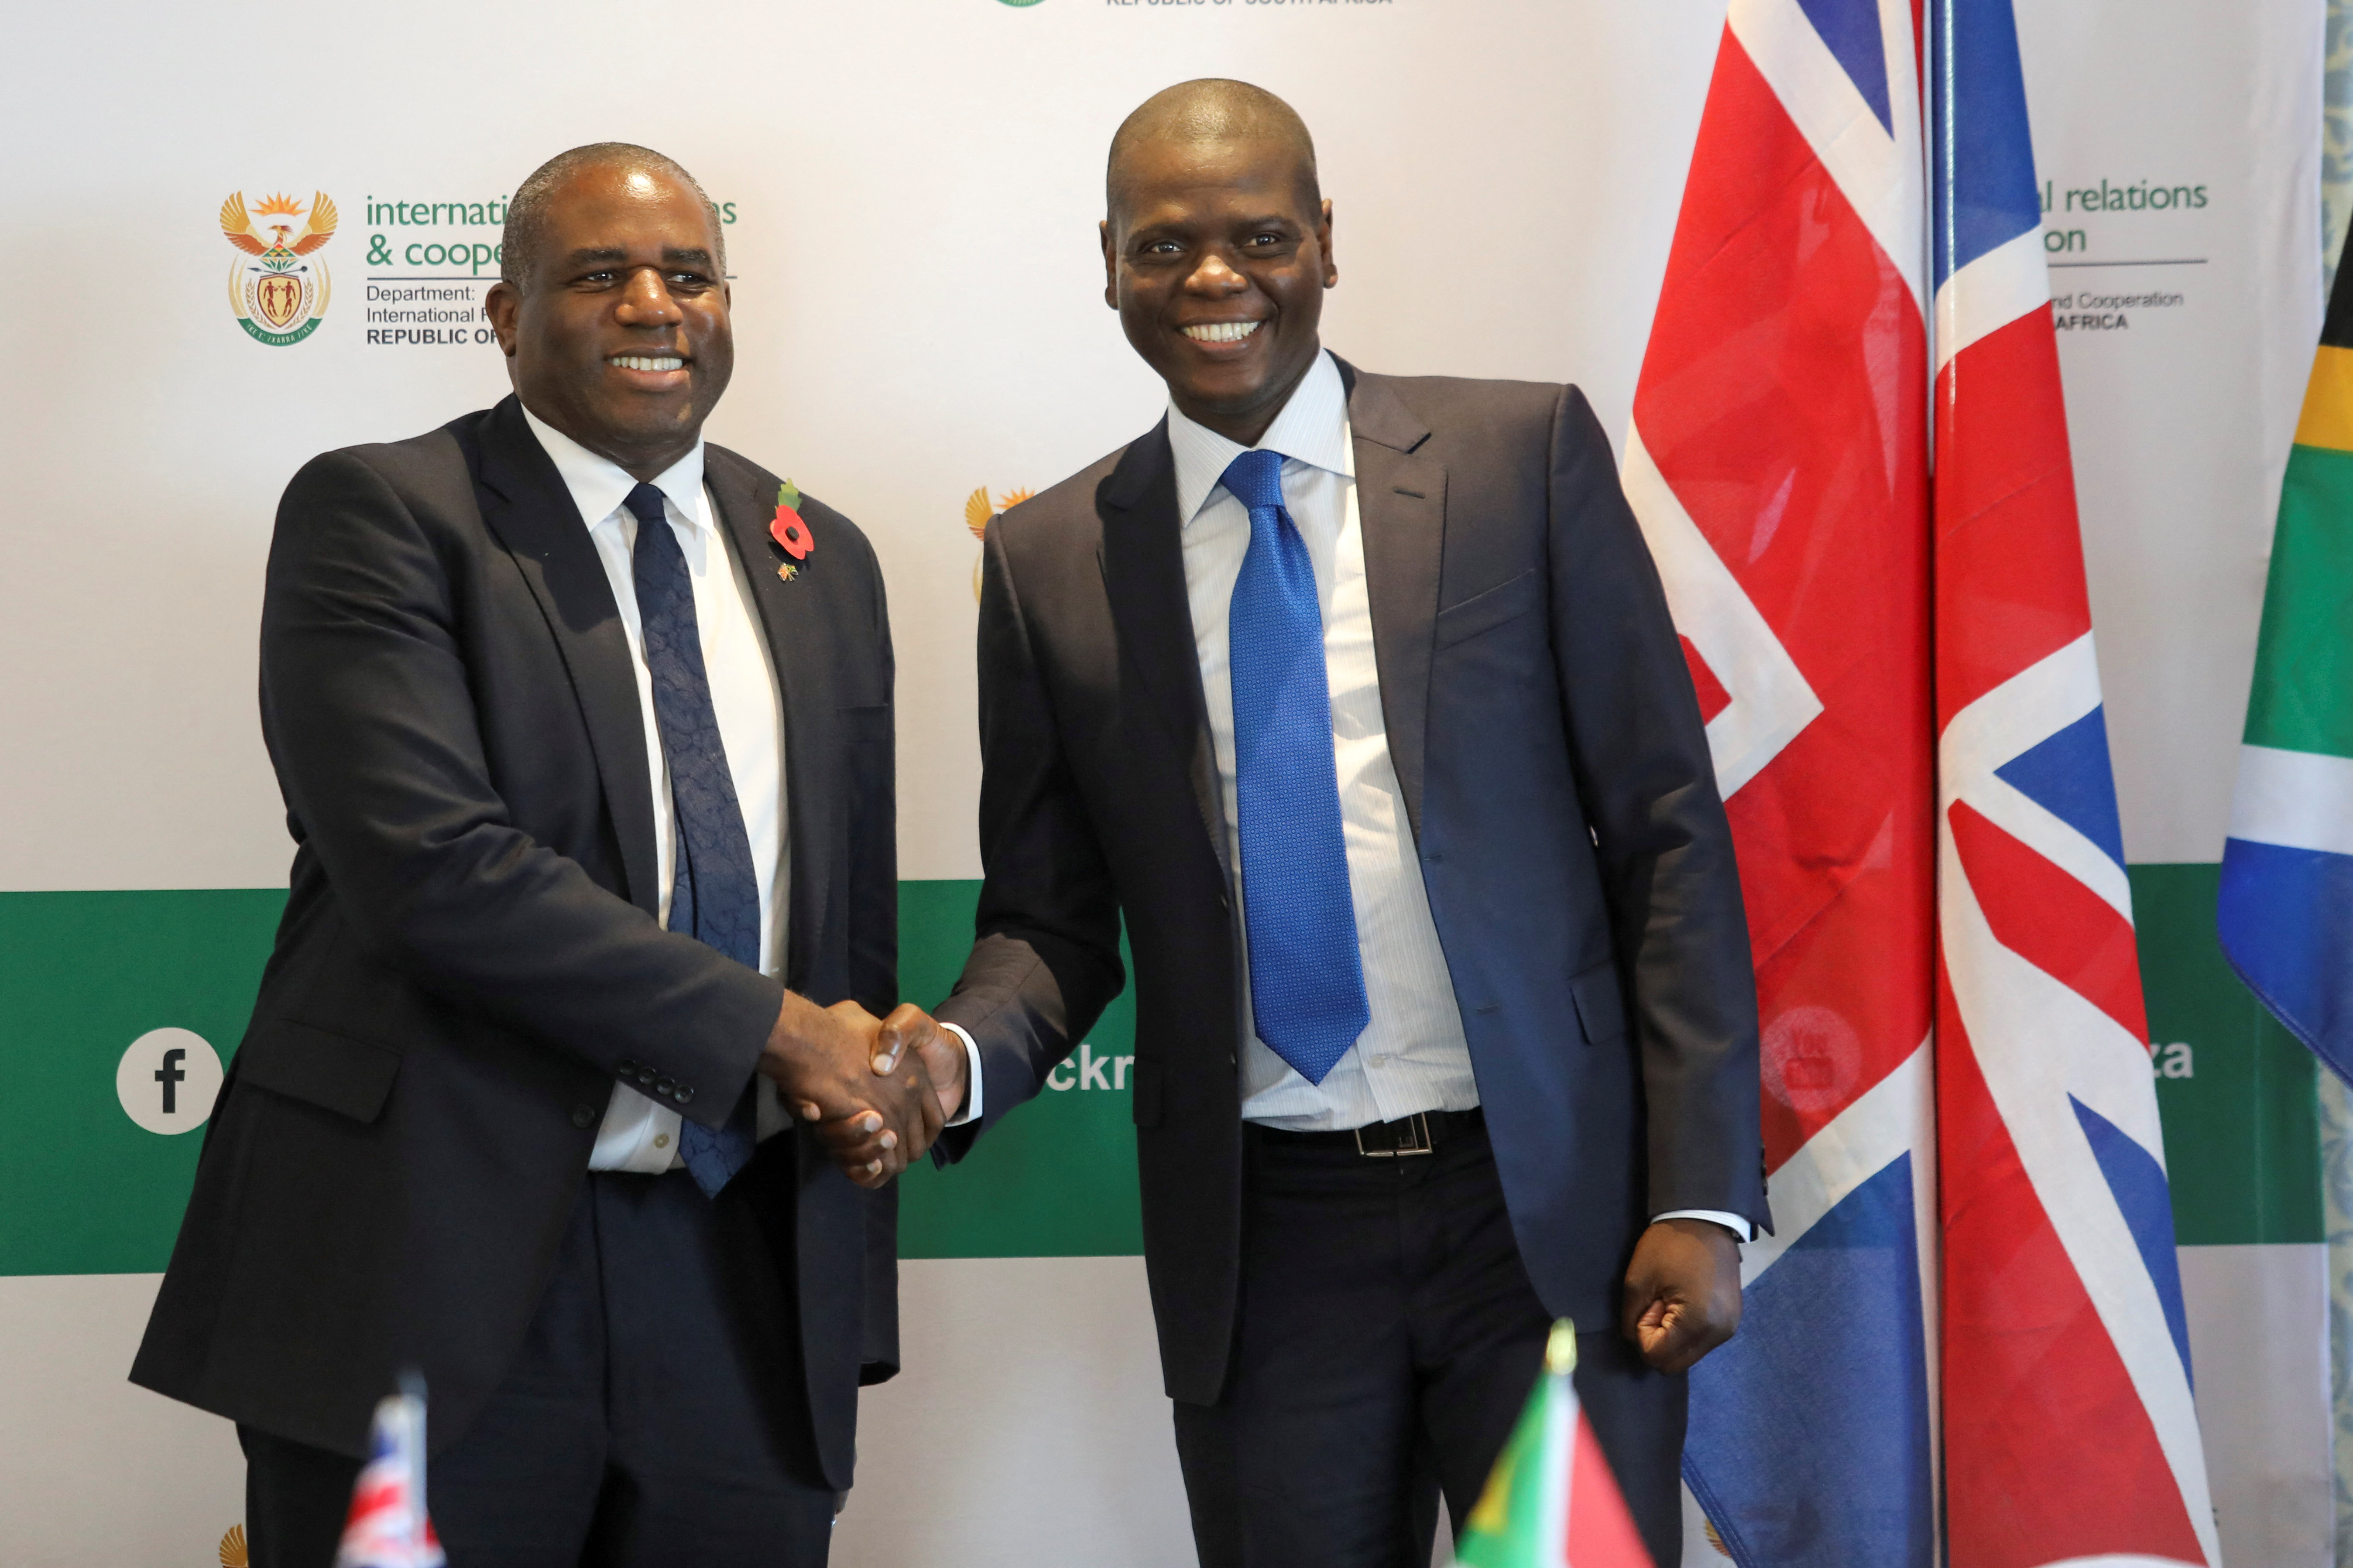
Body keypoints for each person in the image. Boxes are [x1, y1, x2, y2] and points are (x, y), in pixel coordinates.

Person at [898, 81, 1767, 1565]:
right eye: (1165, 247)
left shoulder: (1521, 461)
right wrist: (957, 1054)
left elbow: (1667, 831)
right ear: (1106, 259)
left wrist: (1702, 1190)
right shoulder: (1045, 562)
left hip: (1544, 1217)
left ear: (1326, 247)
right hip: (1267, 1238)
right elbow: (1049, 918)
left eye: (1261, 236)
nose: (1216, 279)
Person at [130, 142, 944, 1567]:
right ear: (508, 317)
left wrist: (860, 1081)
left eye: (689, 275)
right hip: (435, 1265)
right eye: (598, 275)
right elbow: (437, 873)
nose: (653, 305)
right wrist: (786, 1032)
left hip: (742, 1279)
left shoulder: (825, 556)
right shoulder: (383, 515)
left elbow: (842, 926)